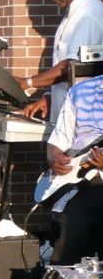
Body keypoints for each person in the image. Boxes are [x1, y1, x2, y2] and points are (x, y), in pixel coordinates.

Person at [15, 0, 103, 123]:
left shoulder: (89, 15)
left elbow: (71, 66)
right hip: (67, 118)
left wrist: (27, 83)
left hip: (82, 122)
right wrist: (49, 97)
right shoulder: (73, 14)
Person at [44, 75, 103, 265]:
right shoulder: (80, 91)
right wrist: (54, 158)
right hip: (80, 180)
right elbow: (58, 139)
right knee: (70, 236)